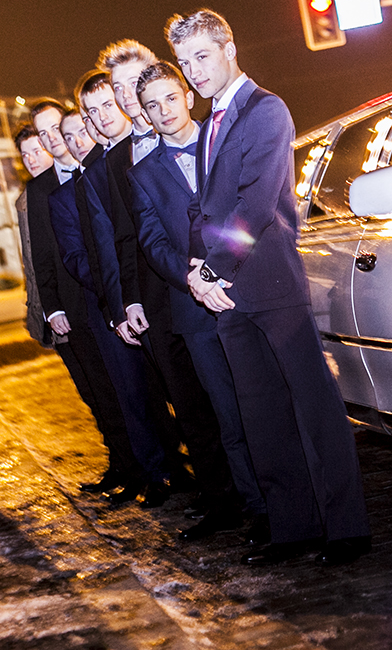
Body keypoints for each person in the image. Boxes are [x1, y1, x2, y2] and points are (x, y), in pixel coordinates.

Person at [167, 7, 369, 566]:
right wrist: (196, 269)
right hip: (227, 294)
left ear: (229, 50)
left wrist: (213, 271)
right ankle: (293, 529)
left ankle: (346, 529)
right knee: (262, 417)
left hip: (271, 284)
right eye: (185, 62)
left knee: (314, 408)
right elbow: (203, 210)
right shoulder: (209, 123)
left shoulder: (266, 110)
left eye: (201, 57)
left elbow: (255, 203)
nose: (194, 72)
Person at [94, 41, 242, 535]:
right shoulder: (118, 160)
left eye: (132, 83)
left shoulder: (208, 136)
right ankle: (221, 497)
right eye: (119, 89)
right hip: (162, 298)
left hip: (212, 281)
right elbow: (125, 236)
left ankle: (255, 494)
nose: (128, 96)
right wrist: (129, 299)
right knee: (192, 405)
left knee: (234, 397)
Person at [128, 60, 268, 542]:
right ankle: (257, 511)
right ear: (144, 115)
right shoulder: (142, 175)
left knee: (266, 404)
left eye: (171, 98)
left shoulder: (225, 139)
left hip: (248, 287)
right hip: (194, 307)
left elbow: (252, 206)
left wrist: (225, 266)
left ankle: (290, 500)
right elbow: (151, 241)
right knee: (227, 415)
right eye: (152, 106)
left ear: (188, 96)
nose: (164, 110)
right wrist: (193, 279)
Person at [49, 106, 171, 506]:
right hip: (106, 305)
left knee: (165, 387)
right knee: (131, 395)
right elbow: (75, 257)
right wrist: (112, 286)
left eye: (80, 131)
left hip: (145, 294)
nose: (76, 141)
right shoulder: (65, 196)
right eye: (67, 137)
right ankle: (154, 474)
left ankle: (179, 465)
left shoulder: (120, 167)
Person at [24, 100, 141, 497]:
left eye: (55, 128)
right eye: (42, 133)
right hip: (76, 308)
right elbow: (41, 254)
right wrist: (52, 306)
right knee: (100, 393)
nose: (52, 138)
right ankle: (125, 465)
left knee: (138, 387)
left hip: (116, 297)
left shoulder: (100, 164)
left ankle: (158, 465)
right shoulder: (40, 189)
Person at [14, 125, 57, 348]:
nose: (30, 160)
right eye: (25, 155)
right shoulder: (25, 201)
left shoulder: (68, 185)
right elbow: (31, 262)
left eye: (36, 151)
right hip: (48, 312)